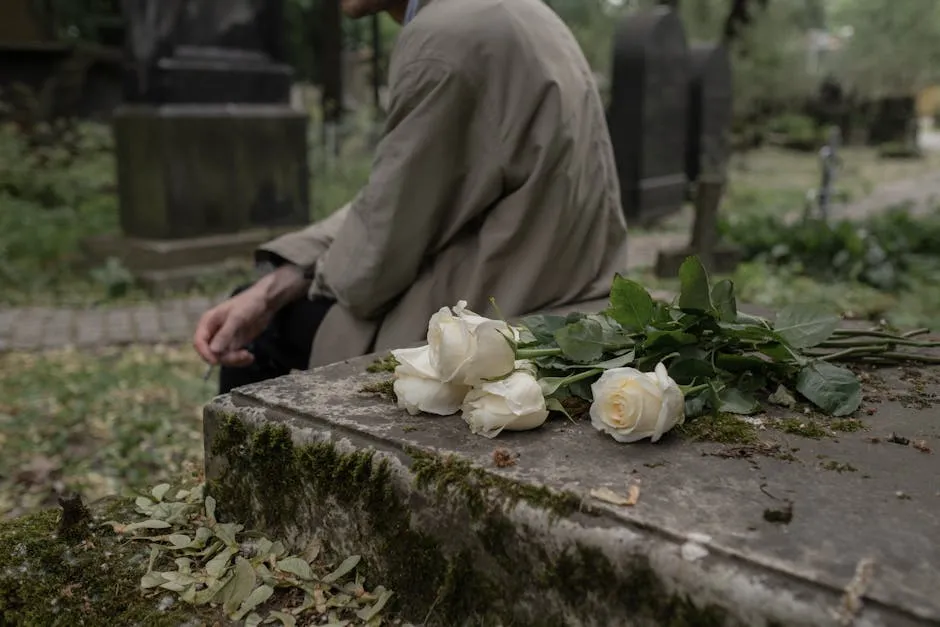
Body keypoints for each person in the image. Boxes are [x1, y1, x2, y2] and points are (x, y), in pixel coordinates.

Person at [194, 0, 628, 394]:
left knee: (261, 333)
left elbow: (370, 268)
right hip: (555, 295)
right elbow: (397, 201)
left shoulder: (445, 38)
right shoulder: (518, 12)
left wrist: (272, 291)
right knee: (263, 297)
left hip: (497, 317)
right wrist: (279, 279)